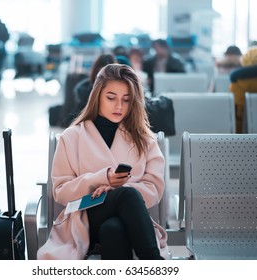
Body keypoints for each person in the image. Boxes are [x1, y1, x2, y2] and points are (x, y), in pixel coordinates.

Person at [37, 64, 168, 260]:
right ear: (97, 95)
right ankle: (155, 265)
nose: (119, 106)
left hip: (127, 220)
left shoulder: (144, 139)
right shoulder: (72, 137)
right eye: (111, 97)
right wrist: (101, 180)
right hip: (83, 217)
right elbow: (60, 191)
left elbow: (154, 188)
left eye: (126, 100)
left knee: (113, 229)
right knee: (128, 195)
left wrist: (114, 191)